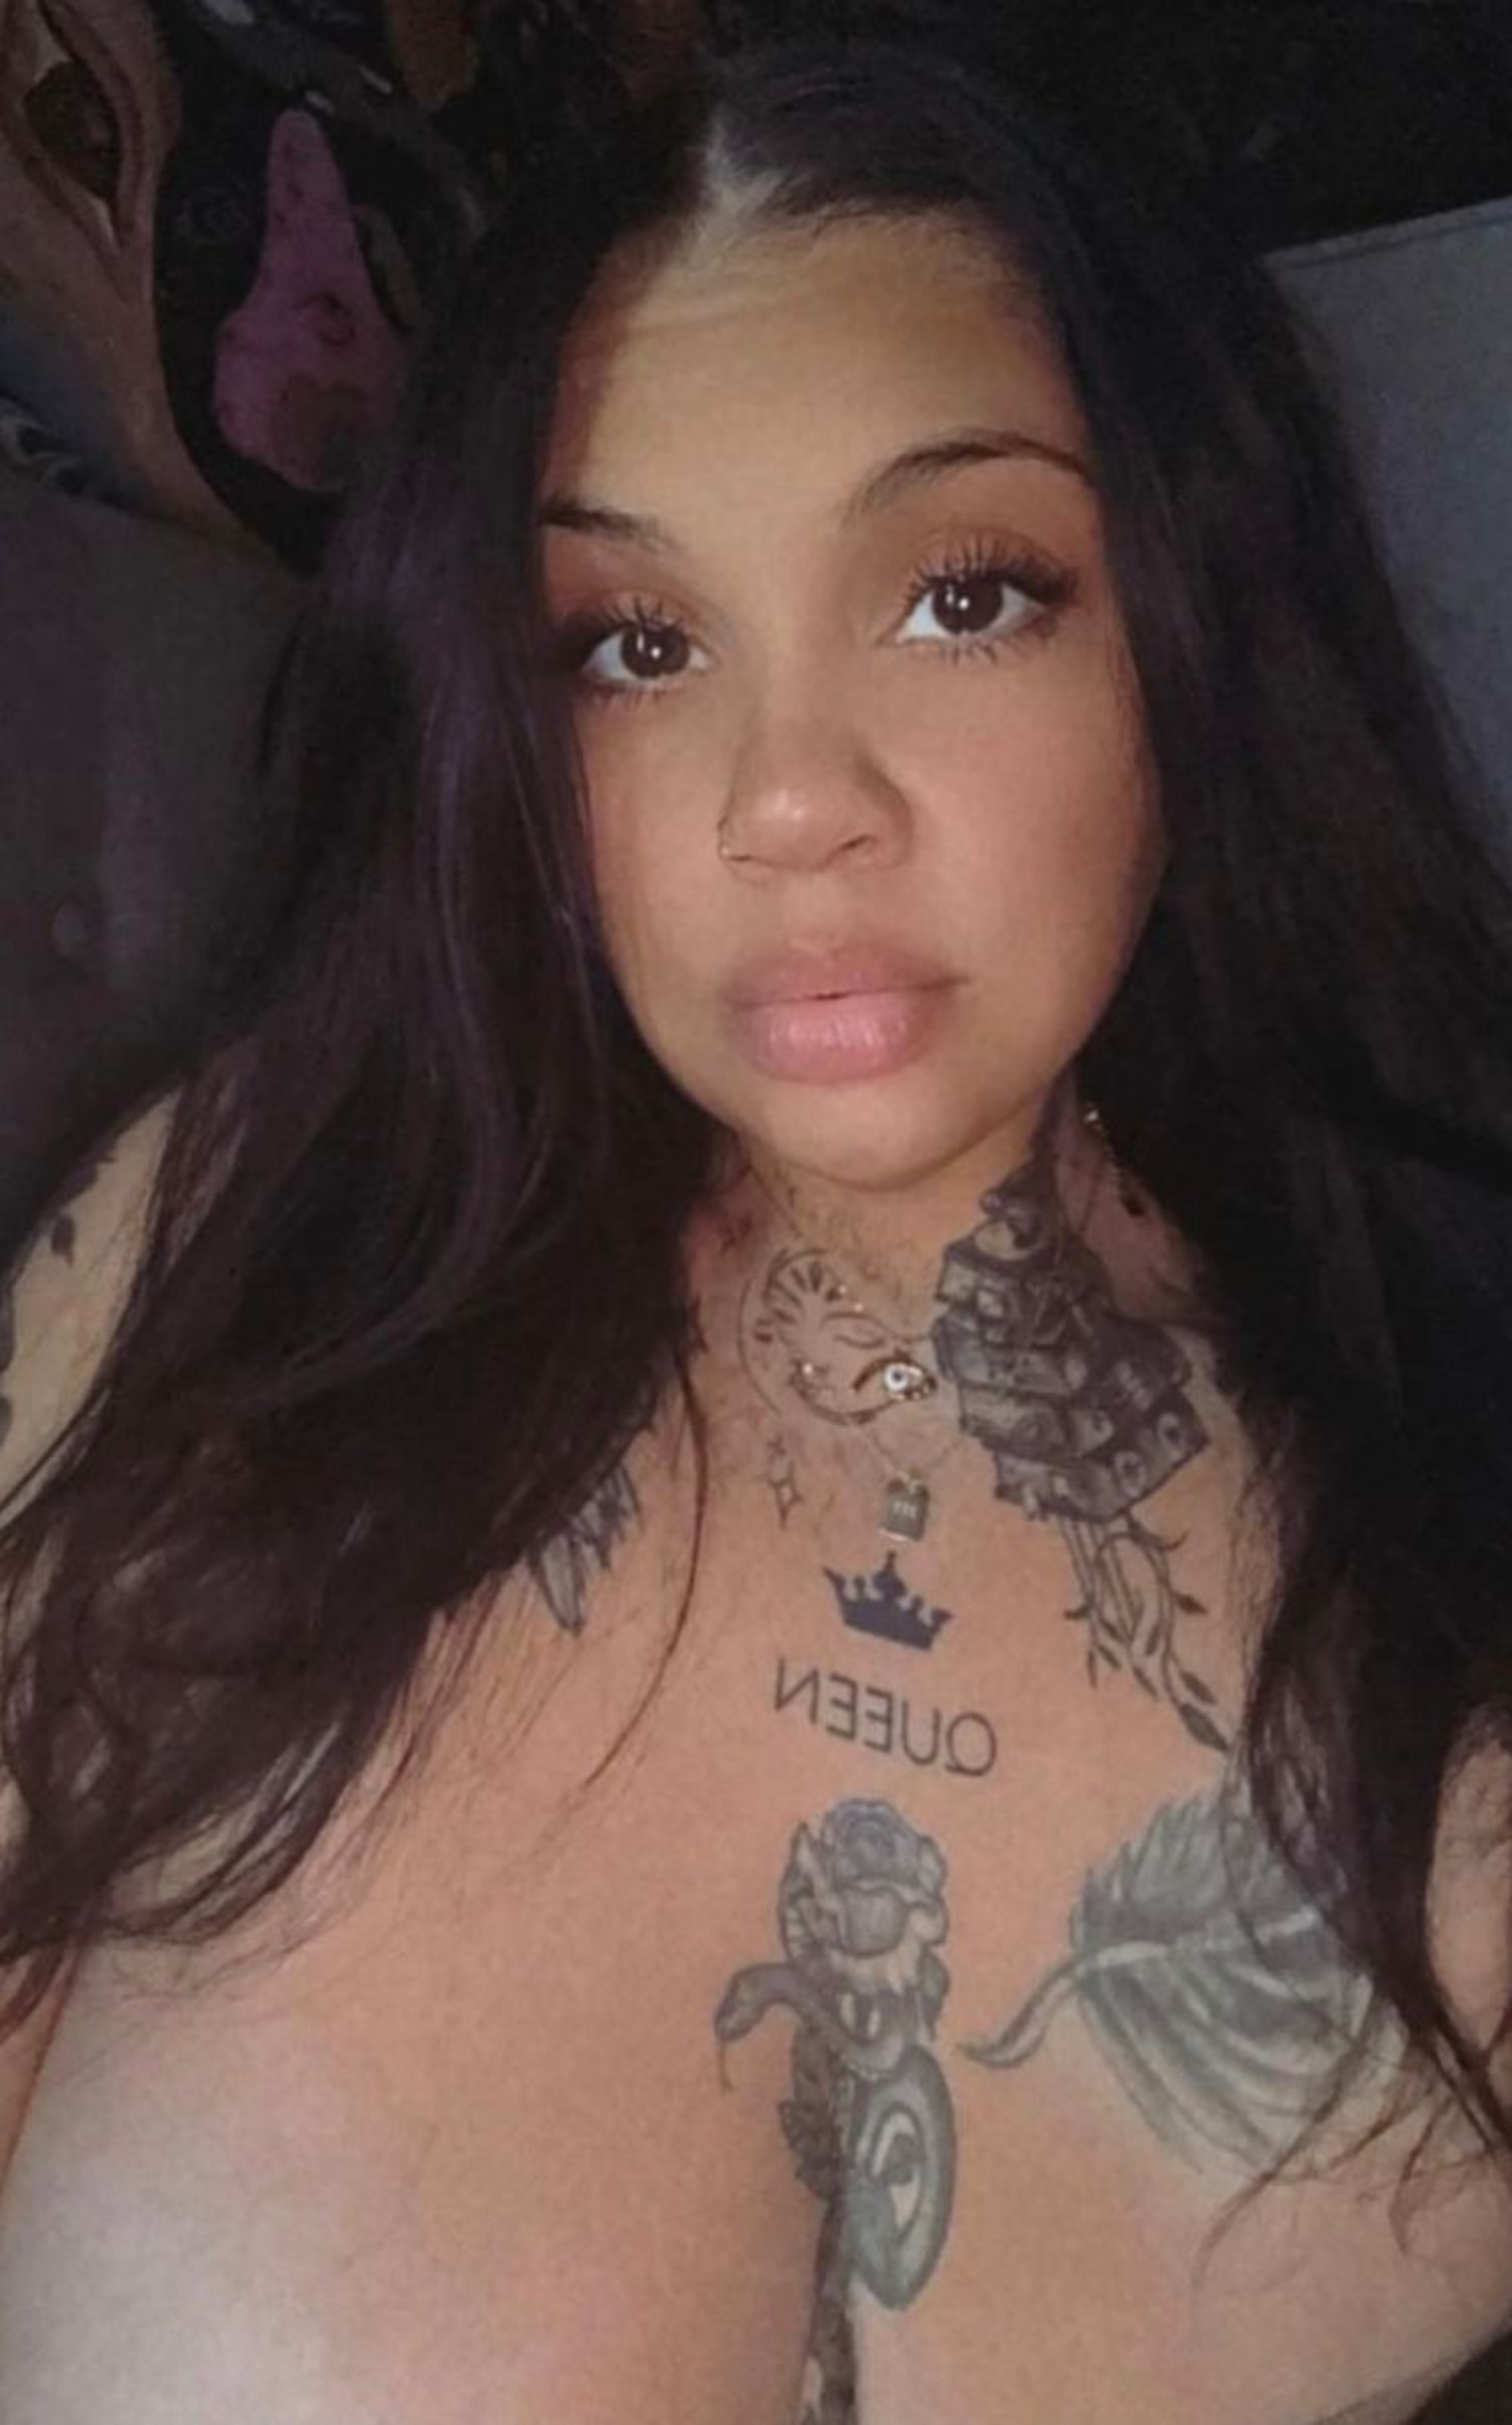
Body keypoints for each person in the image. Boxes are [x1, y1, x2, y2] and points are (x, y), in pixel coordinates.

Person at [3, 25, 1512, 2423]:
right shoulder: (250, 1251)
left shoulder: (1445, 1503)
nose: (787, 800)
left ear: (1196, 624)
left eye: (965, 594)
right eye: (634, 643)